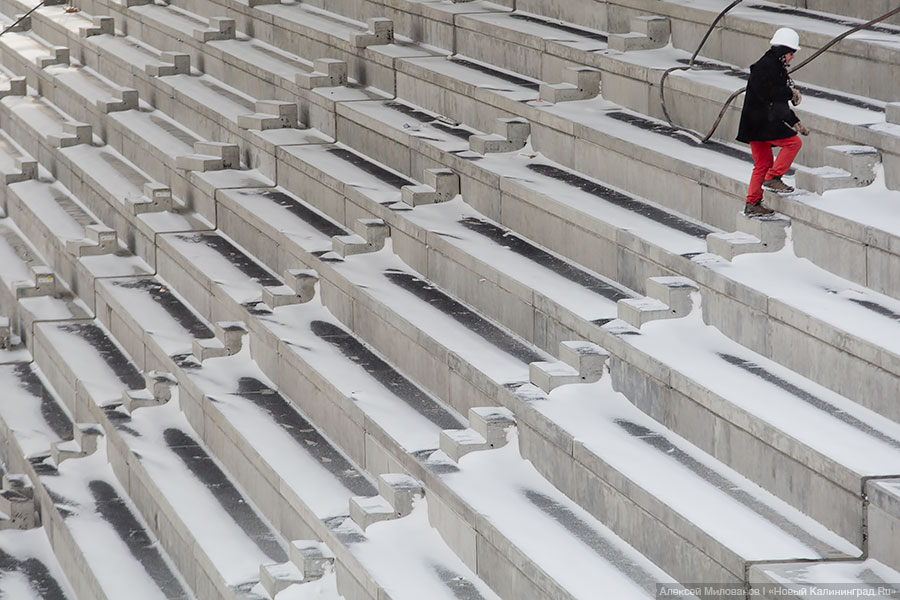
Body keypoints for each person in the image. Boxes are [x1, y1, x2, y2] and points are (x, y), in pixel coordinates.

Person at [736, 27, 809, 216]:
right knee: (794, 143)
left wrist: (794, 121)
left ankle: (752, 203)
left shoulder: (775, 67)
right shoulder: (765, 67)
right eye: (791, 53)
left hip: (755, 124)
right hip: (762, 123)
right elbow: (767, 94)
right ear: (783, 52)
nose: (793, 57)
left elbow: (778, 102)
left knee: (763, 163)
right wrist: (789, 93)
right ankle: (773, 177)